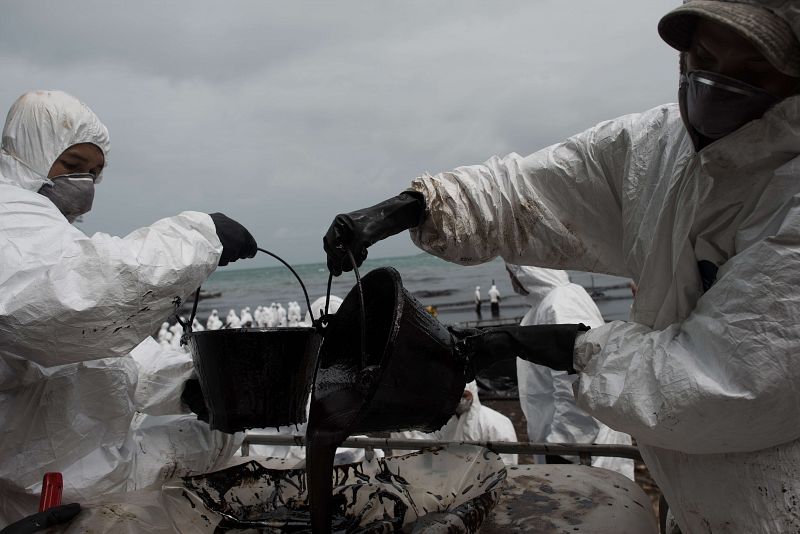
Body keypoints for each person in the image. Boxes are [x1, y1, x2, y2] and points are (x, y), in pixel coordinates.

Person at [323, 2, 800, 531]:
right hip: (689, 499)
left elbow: (721, 383)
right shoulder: (658, 150)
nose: (713, 85)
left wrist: (553, 346)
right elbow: (526, 191)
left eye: (751, 71)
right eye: (704, 57)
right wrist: (412, 207)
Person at [0, 90, 257, 524]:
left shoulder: (46, 232)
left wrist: (190, 386)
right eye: (72, 166)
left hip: (84, 465)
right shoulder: (9, 217)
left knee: (221, 439)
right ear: (31, 149)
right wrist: (196, 238)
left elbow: (101, 352)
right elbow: (73, 308)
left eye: (94, 174)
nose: (84, 184)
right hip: (35, 489)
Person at [507, 264, 634, 479]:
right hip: (567, 447)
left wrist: (564, 447)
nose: (510, 278)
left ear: (525, 269)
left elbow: (579, 379)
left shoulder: (561, 303)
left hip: (582, 452)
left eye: (511, 271)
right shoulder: (547, 305)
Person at [391, 381, 519, 465]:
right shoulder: (439, 423)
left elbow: (507, 463)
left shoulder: (497, 424)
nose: (459, 401)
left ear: (473, 393)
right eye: (454, 396)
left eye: (464, 395)